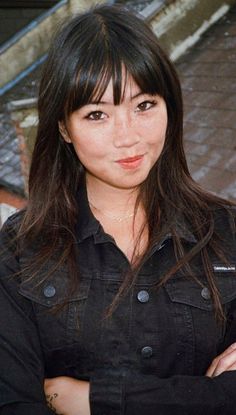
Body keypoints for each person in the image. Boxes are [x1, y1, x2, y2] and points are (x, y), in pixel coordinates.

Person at [0, 4, 236, 415]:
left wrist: (93, 399)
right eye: (96, 114)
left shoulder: (227, 232)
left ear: (170, 107)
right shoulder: (18, 252)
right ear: (63, 128)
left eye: (144, 105)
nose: (127, 138)